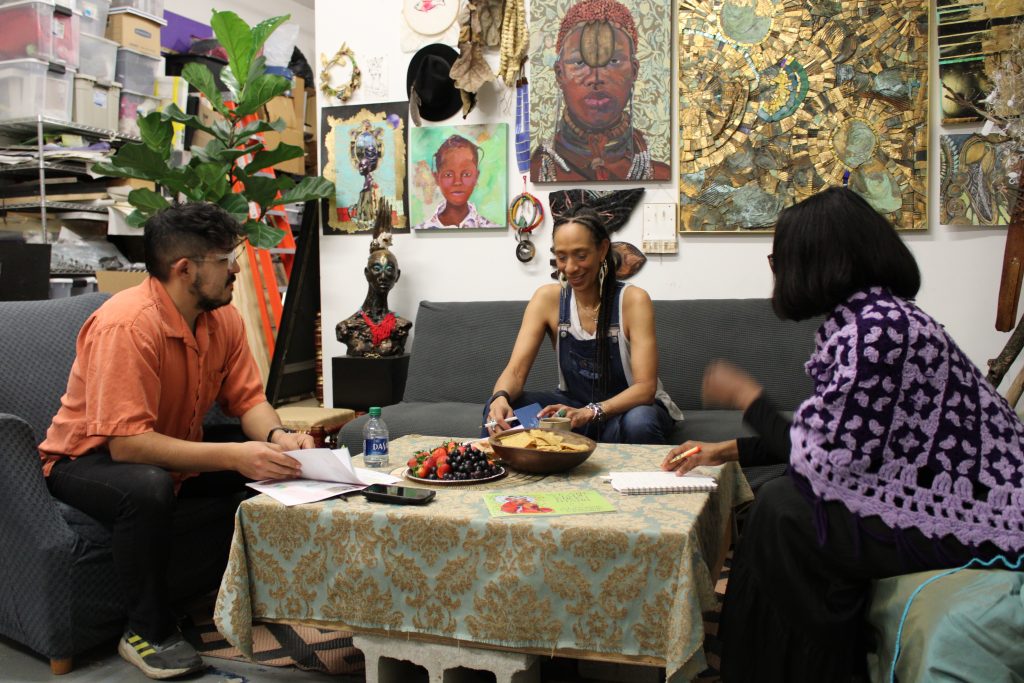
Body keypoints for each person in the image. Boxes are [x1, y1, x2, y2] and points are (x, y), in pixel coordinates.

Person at [661, 187, 1024, 682]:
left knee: (785, 513)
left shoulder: (879, 330)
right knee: (781, 503)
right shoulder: (870, 319)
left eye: (779, 257)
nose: (776, 269)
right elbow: (834, 439)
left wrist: (749, 399)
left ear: (816, 259)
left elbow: (822, 458)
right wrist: (726, 449)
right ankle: (758, 658)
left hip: (982, 517)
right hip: (965, 502)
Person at [38, 203, 314, 680]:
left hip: (166, 446)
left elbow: (247, 402)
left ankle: (253, 596)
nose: (236, 269)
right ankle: (145, 630)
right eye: (226, 258)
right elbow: (127, 446)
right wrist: (234, 456)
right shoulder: (127, 325)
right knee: (147, 487)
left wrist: (277, 437)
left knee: (276, 464)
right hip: (86, 461)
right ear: (185, 270)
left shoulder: (221, 319)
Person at [485, 208, 682, 444]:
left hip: (626, 411)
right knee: (502, 410)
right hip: (574, 413)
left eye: (580, 255)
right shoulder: (547, 299)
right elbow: (516, 371)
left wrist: (592, 411)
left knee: (639, 422)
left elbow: (645, 388)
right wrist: (500, 397)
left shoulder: (633, 300)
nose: (570, 268)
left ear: (602, 250)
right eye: (561, 257)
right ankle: (504, 477)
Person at [530, 0, 670, 182]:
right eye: (579, 63)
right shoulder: (536, 171)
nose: (596, 78)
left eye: (613, 61)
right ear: (559, 74)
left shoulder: (660, 175)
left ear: (634, 70)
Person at [415, 135, 499, 229]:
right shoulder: (422, 228)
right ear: (437, 178)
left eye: (466, 174)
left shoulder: (490, 227)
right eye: (448, 175)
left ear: (476, 177)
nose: (457, 182)